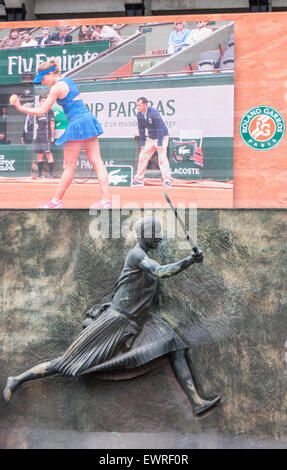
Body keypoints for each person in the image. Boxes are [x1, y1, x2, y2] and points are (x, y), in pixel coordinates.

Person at [3, 216, 221, 417]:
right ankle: (18, 379)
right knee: (66, 363)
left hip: (141, 321)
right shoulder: (137, 255)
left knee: (177, 346)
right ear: (145, 234)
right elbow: (161, 272)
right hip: (118, 322)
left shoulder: (143, 256)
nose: (160, 236)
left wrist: (188, 262)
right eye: (156, 232)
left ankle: (196, 402)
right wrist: (189, 261)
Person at [10, 58, 111, 209]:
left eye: (44, 78)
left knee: (69, 165)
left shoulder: (56, 88)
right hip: (88, 119)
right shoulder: (68, 80)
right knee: (97, 161)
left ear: (51, 73)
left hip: (77, 122)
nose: (43, 82)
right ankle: (107, 201)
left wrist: (20, 107)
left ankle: (56, 201)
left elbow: (42, 111)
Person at [133, 97, 172, 187]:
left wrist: (159, 144)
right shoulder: (139, 114)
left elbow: (160, 128)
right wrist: (142, 143)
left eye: (139, 105)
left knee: (162, 158)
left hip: (161, 137)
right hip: (150, 139)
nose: (137, 107)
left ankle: (167, 180)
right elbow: (141, 129)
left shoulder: (154, 113)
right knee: (142, 157)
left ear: (145, 104)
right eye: (137, 105)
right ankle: (139, 179)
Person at [34, 95, 55, 178]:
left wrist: (52, 136)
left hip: (46, 134)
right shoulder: (38, 112)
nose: (44, 102)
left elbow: (52, 124)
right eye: (42, 100)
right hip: (38, 134)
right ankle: (39, 175)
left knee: (48, 154)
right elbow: (38, 124)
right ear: (40, 102)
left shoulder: (50, 111)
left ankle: (51, 175)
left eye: (45, 100)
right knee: (39, 154)